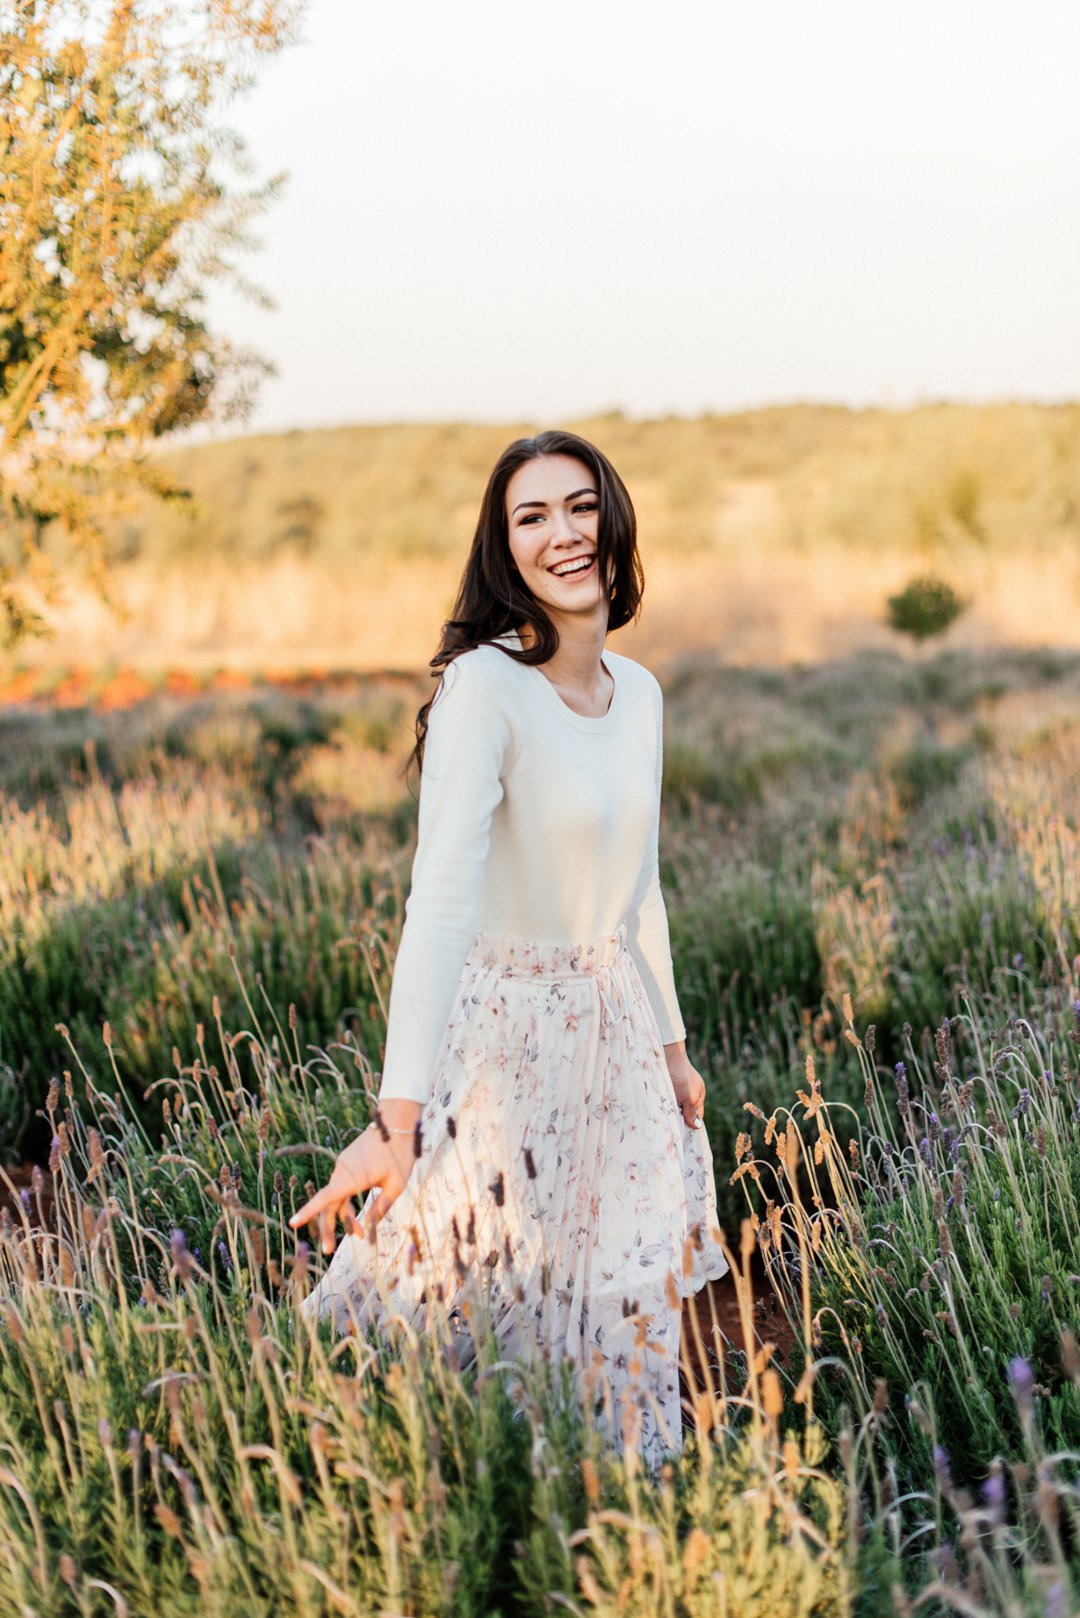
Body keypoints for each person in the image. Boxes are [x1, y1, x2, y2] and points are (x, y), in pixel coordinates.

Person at [289, 429, 728, 1470]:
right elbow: (438, 900)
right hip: (505, 1039)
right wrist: (397, 1117)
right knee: (461, 1283)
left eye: (580, 507)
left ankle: (607, 1515)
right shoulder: (484, 685)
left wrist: (671, 1047)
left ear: (614, 522)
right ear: (505, 550)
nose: (563, 533)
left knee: (611, 1296)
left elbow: (643, 885)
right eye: (531, 517)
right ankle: (432, 1494)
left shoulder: (646, 692)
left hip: (617, 1041)